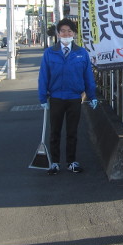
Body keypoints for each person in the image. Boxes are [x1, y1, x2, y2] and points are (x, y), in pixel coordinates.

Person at [38, 18, 98, 175]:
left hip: (74, 98)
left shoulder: (81, 53)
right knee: (55, 132)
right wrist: (43, 98)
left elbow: (88, 77)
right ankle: (55, 163)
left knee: (72, 132)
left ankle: (71, 162)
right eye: (63, 31)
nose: (66, 33)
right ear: (58, 34)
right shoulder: (49, 53)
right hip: (56, 97)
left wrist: (92, 96)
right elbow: (43, 77)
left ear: (74, 34)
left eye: (69, 31)